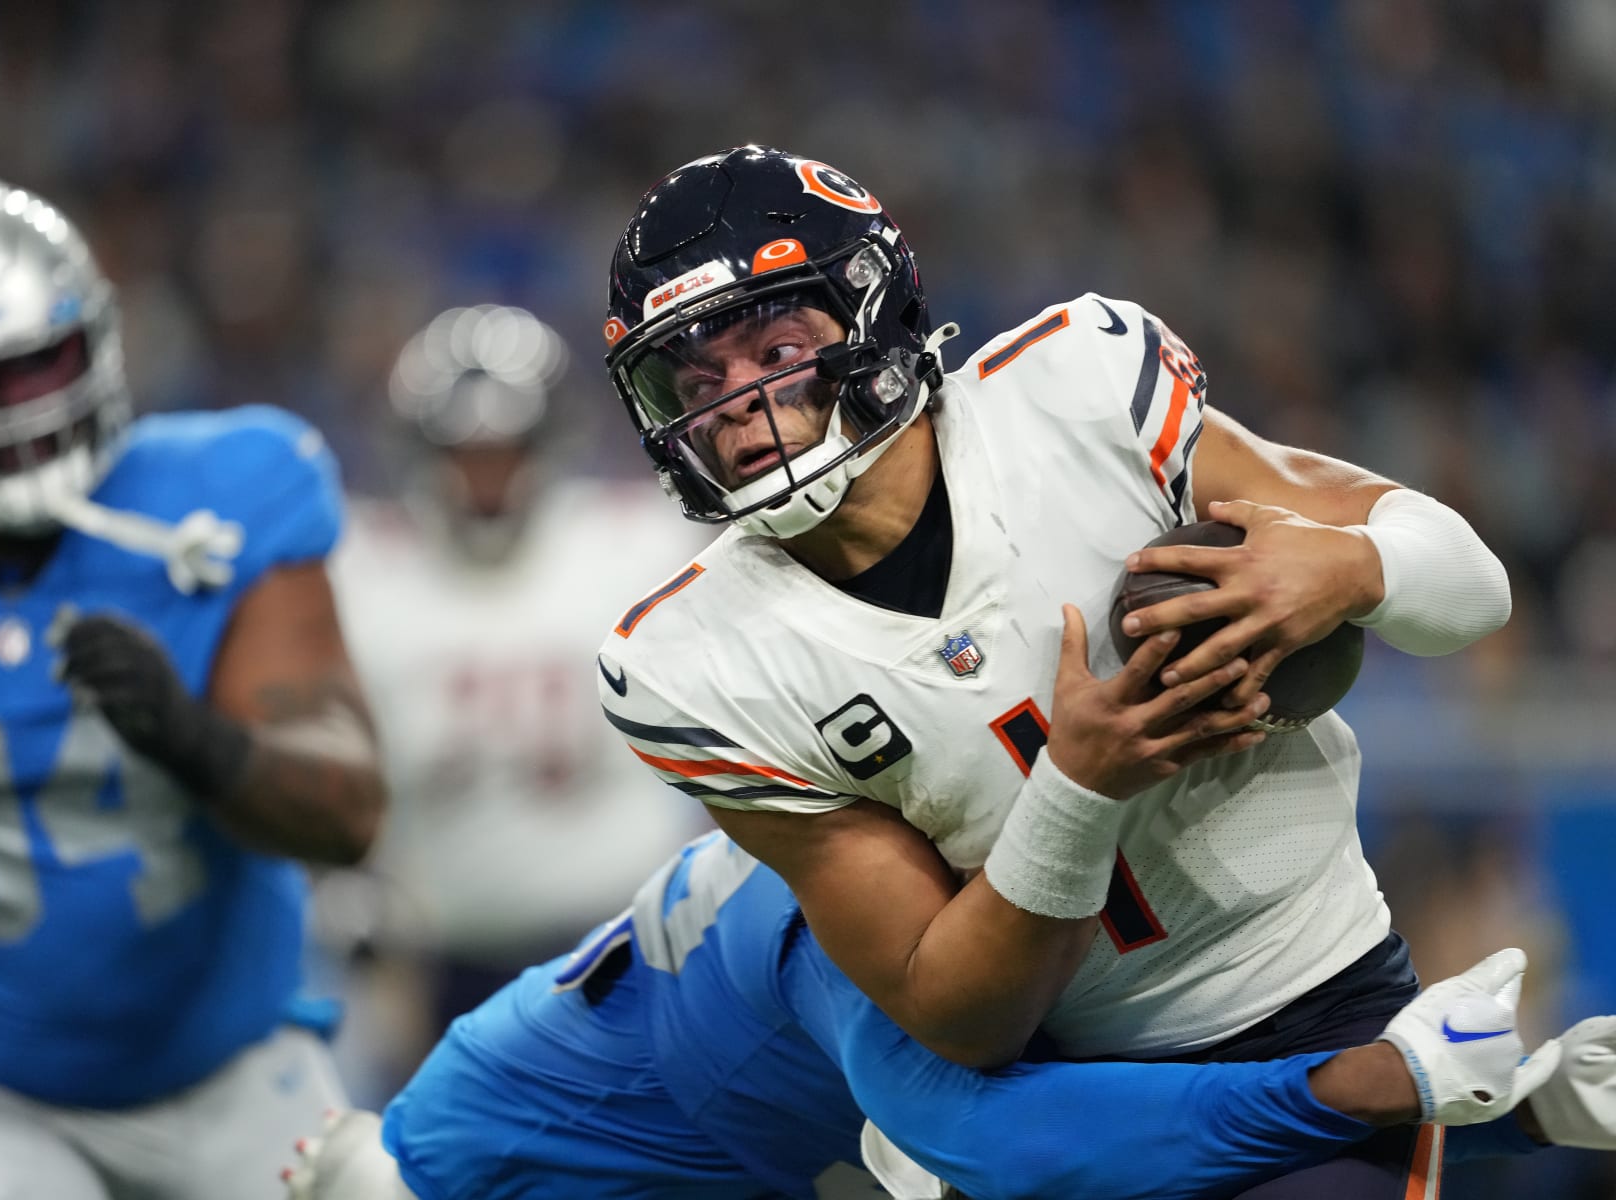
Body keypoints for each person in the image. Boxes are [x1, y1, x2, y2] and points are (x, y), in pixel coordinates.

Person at [592, 146, 1519, 1197]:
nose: (734, 406)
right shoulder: (684, 662)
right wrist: (1080, 787)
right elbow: (956, 1015)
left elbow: (1471, 591)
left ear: (872, 311)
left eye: (777, 348)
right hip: (1058, 1101)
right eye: (696, 379)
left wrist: (1354, 565)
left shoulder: (1075, 390)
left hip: (1317, 1000)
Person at [0, 177, 386, 1199]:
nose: (17, 411)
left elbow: (347, 812)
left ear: (102, 337)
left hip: (233, 1069)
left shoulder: (228, 490)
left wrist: (194, 738)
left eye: (41, 362)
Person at [281, 829, 1616, 1200]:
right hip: (503, 1152)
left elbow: (1228, 1098)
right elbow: (1003, 1146)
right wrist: (1363, 1085)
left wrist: (1536, 1102)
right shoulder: (843, 914)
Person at [324, 304, 707, 1092]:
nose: (483, 478)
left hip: (631, 942)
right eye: (463, 455)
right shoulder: (364, 571)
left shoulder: (640, 543)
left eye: (503, 452)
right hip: (442, 958)